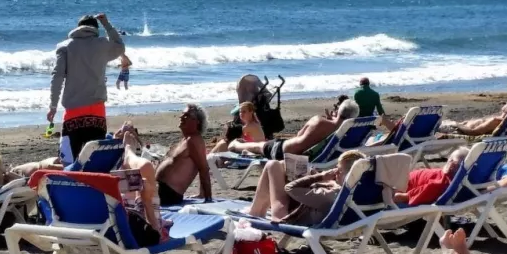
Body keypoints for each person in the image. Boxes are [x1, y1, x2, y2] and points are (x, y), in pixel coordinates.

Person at [47, 13, 127, 159]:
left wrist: (53, 106)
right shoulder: (102, 44)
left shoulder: (64, 47)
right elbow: (120, 46)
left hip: (73, 111)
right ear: (96, 29)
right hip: (97, 111)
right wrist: (107, 24)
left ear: (78, 28)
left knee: (69, 159)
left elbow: (57, 77)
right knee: (95, 159)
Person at [246, 150, 365, 223]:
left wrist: (319, 177)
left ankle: (256, 211)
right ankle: (256, 210)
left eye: (338, 170)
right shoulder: (352, 189)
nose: (335, 172)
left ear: (346, 174)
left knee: (272, 165)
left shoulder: (330, 194)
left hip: (286, 217)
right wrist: (317, 176)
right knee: (282, 164)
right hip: (309, 207)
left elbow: (290, 188)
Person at [226, 100, 354, 160]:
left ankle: (235, 145)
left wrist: (328, 121)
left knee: (258, 146)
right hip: (311, 157)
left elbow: (299, 134)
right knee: (261, 146)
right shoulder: (349, 131)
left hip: (284, 150)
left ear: (338, 111)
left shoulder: (319, 121)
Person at [155, 103, 215, 205]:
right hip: (162, 189)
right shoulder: (186, 139)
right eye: (182, 114)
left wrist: (208, 199)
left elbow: (203, 169)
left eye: (187, 115)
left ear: (197, 122)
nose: (182, 117)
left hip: (168, 194)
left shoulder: (194, 140)